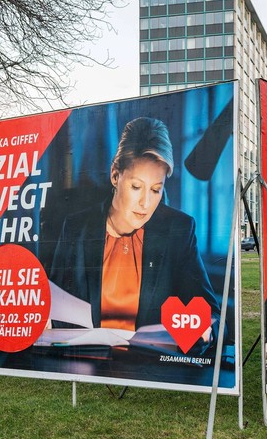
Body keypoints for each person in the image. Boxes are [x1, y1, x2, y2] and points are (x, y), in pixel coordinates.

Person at [49, 116, 220, 343]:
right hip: (86, 361)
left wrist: (203, 331)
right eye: (136, 187)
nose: (146, 202)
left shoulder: (178, 230)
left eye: (156, 189)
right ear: (115, 175)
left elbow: (211, 317)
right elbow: (51, 304)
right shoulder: (75, 228)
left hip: (151, 367)